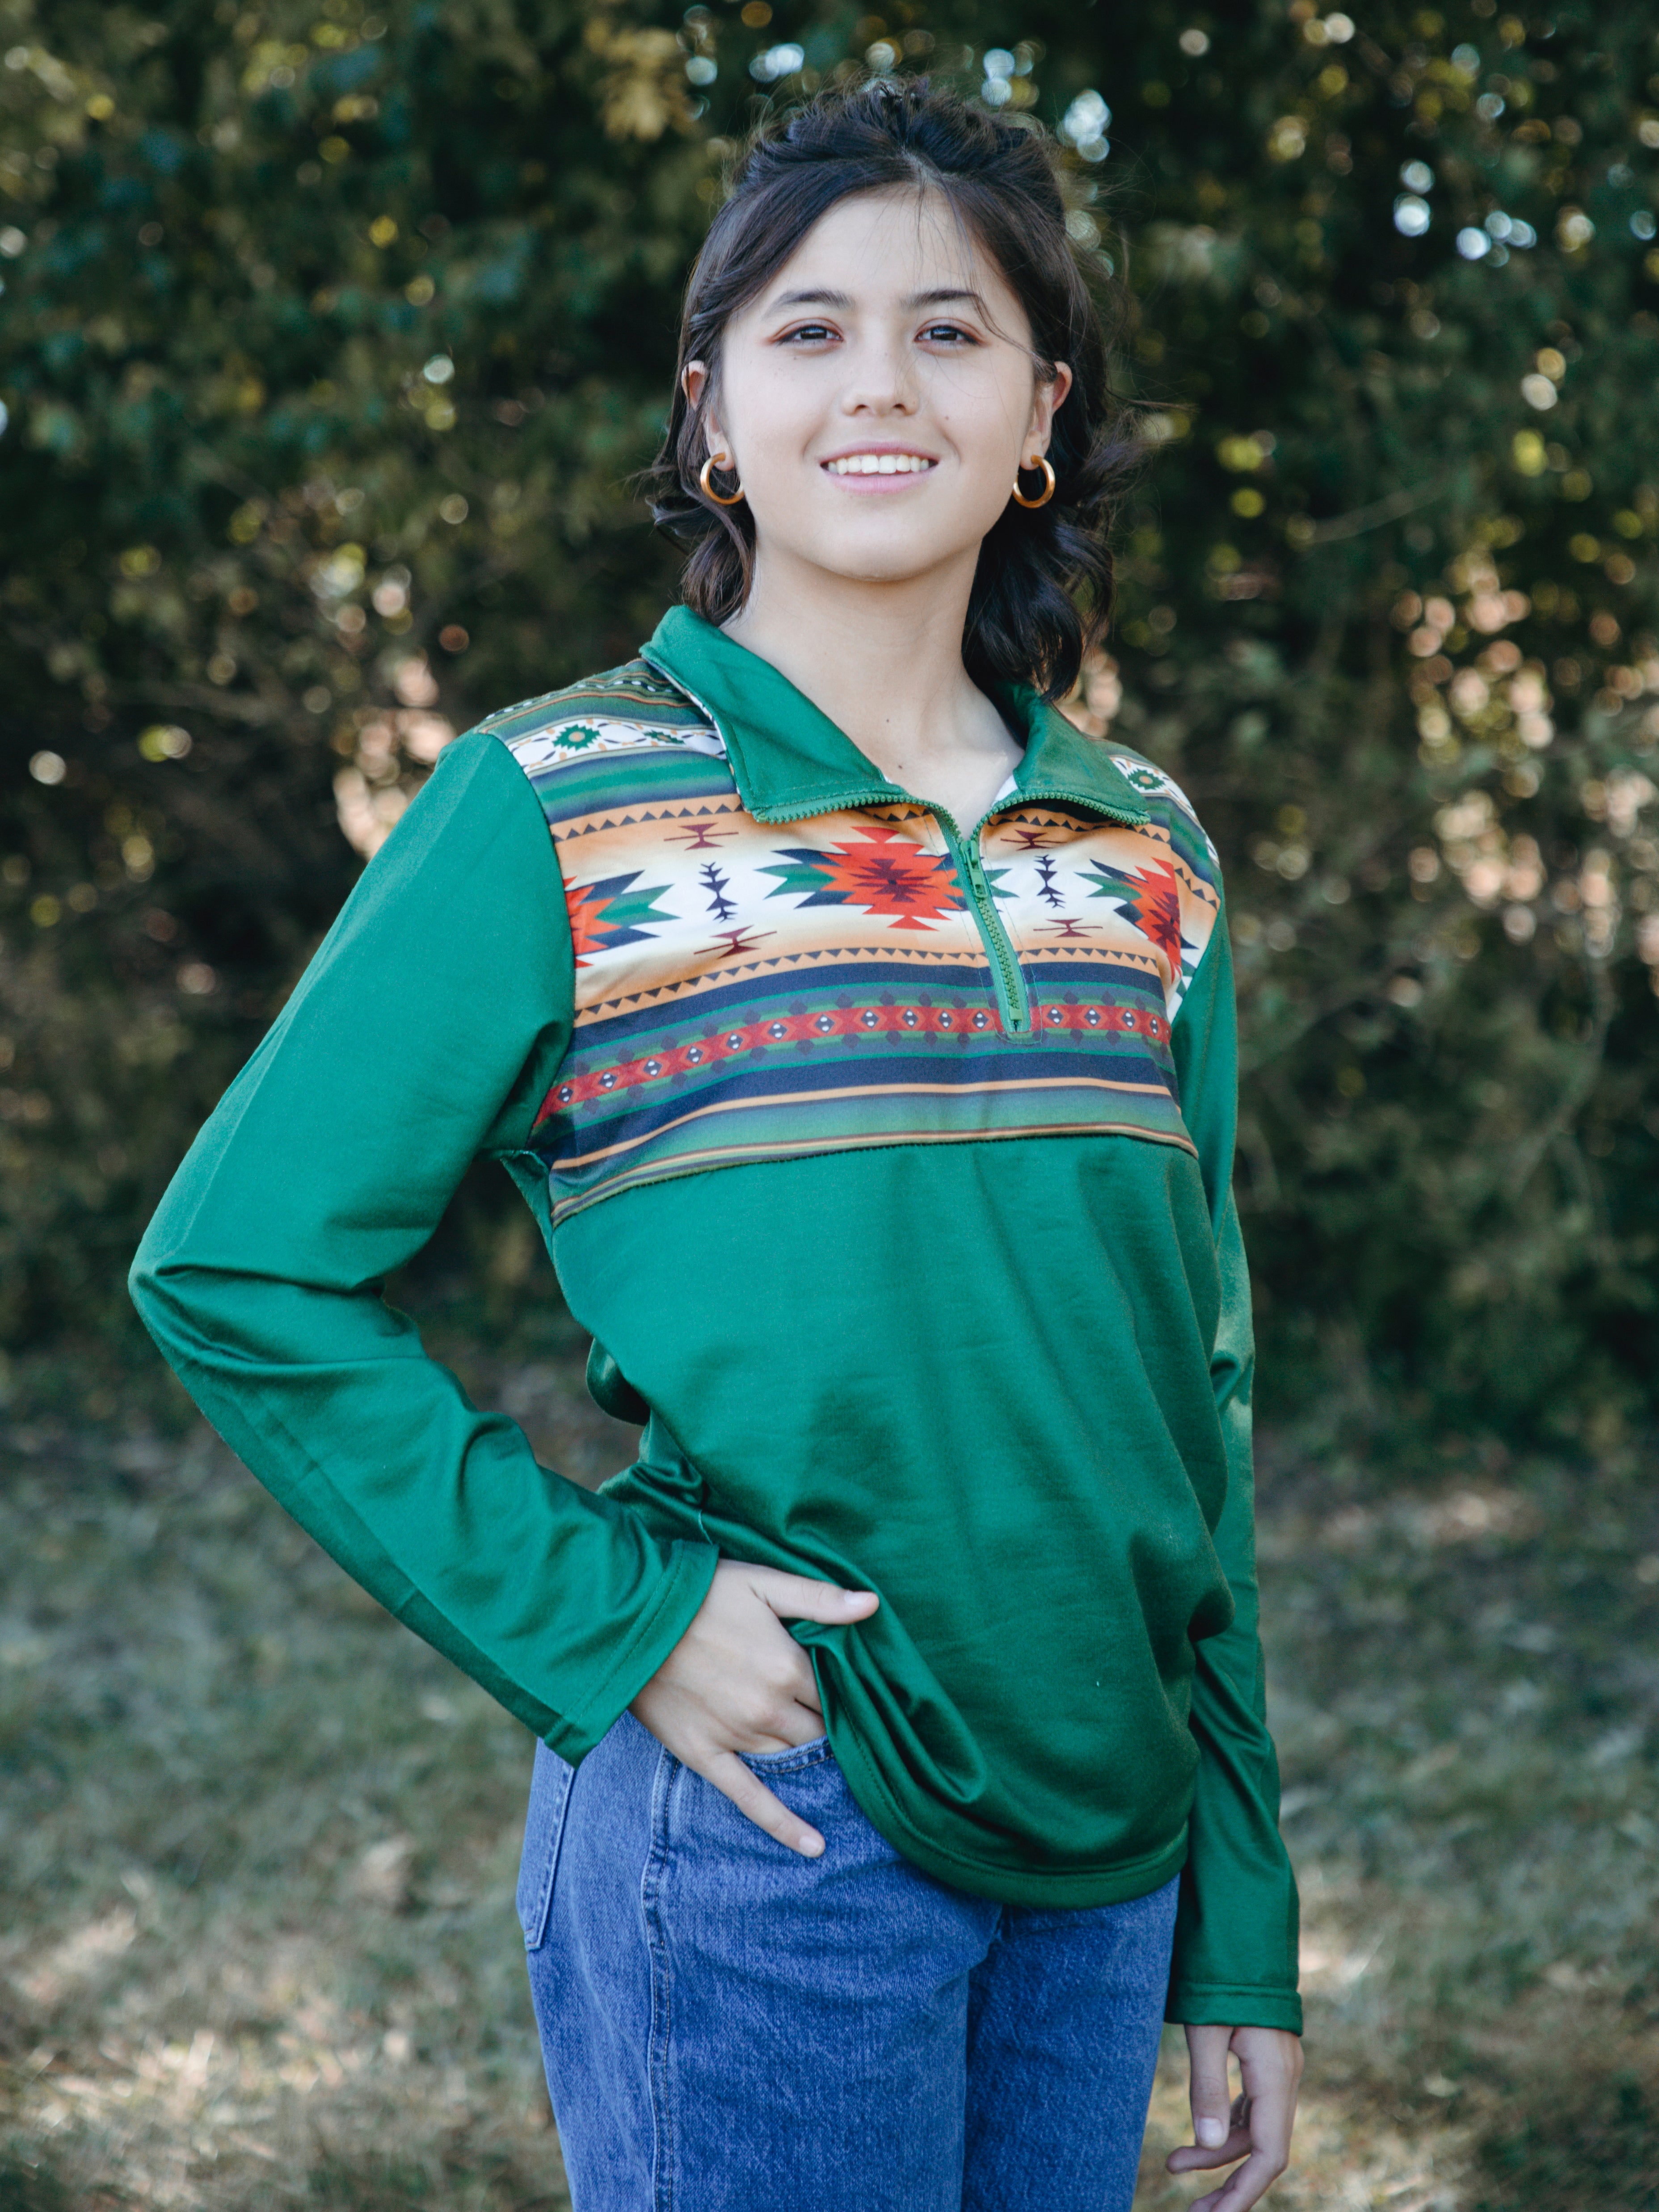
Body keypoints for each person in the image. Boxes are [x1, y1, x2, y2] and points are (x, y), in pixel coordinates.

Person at [131, 78, 1302, 2212]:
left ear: (1039, 409)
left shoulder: (1145, 847)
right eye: (809, 328)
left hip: (1112, 1831)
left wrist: (1239, 1908)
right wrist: (616, 1617)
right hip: (776, 1810)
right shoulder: (554, 802)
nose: (881, 383)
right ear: (712, 414)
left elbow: (1191, 1407)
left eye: (949, 331)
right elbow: (236, 1266)